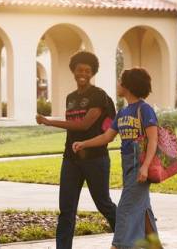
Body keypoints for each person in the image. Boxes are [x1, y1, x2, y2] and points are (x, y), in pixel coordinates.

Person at [36, 51, 117, 249]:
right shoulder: (70, 98)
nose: (83, 74)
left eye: (88, 71)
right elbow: (74, 127)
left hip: (95, 158)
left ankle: (128, 238)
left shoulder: (98, 95)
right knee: (66, 209)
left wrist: (49, 121)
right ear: (73, 71)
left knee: (103, 204)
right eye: (79, 70)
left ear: (92, 73)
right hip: (71, 159)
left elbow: (83, 125)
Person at [72, 68, 160, 249]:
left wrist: (145, 166)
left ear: (129, 85)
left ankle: (117, 246)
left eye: (120, 80)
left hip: (139, 166)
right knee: (143, 211)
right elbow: (106, 137)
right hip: (127, 165)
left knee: (124, 210)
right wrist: (84, 144)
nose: (118, 83)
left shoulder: (145, 109)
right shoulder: (123, 112)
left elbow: (153, 140)